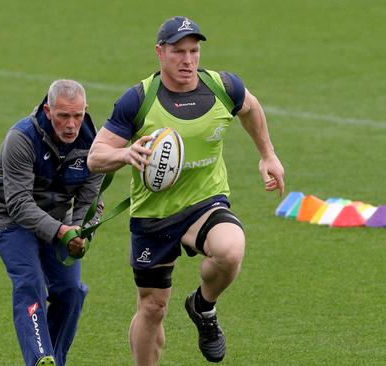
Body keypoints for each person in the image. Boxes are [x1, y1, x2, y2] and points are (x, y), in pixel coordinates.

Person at [87, 16, 285, 365]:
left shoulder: (224, 87)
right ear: (159, 53)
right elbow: (95, 157)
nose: (188, 60)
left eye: (194, 51)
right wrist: (124, 153)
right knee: (152, 307)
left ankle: (203, 306)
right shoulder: (138, 99)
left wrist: (267, 155)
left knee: (230, 249)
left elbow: (250, 108)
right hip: (155, 216)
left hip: (204, 203)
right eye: (178, 51)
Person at [0, 79, 104, 366]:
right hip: (8, 216)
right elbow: (19, 204)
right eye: (63, 115)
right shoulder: (21, 138)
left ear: (85, 111)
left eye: (77, 115)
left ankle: (54, 361)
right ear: (48, 111)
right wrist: (62, 231)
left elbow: (90, 200)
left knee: (70, 291)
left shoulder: (95, 146)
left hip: (59, 218)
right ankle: (40, 359)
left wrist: (81, 232)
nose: (71, 124)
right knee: (30, 283)